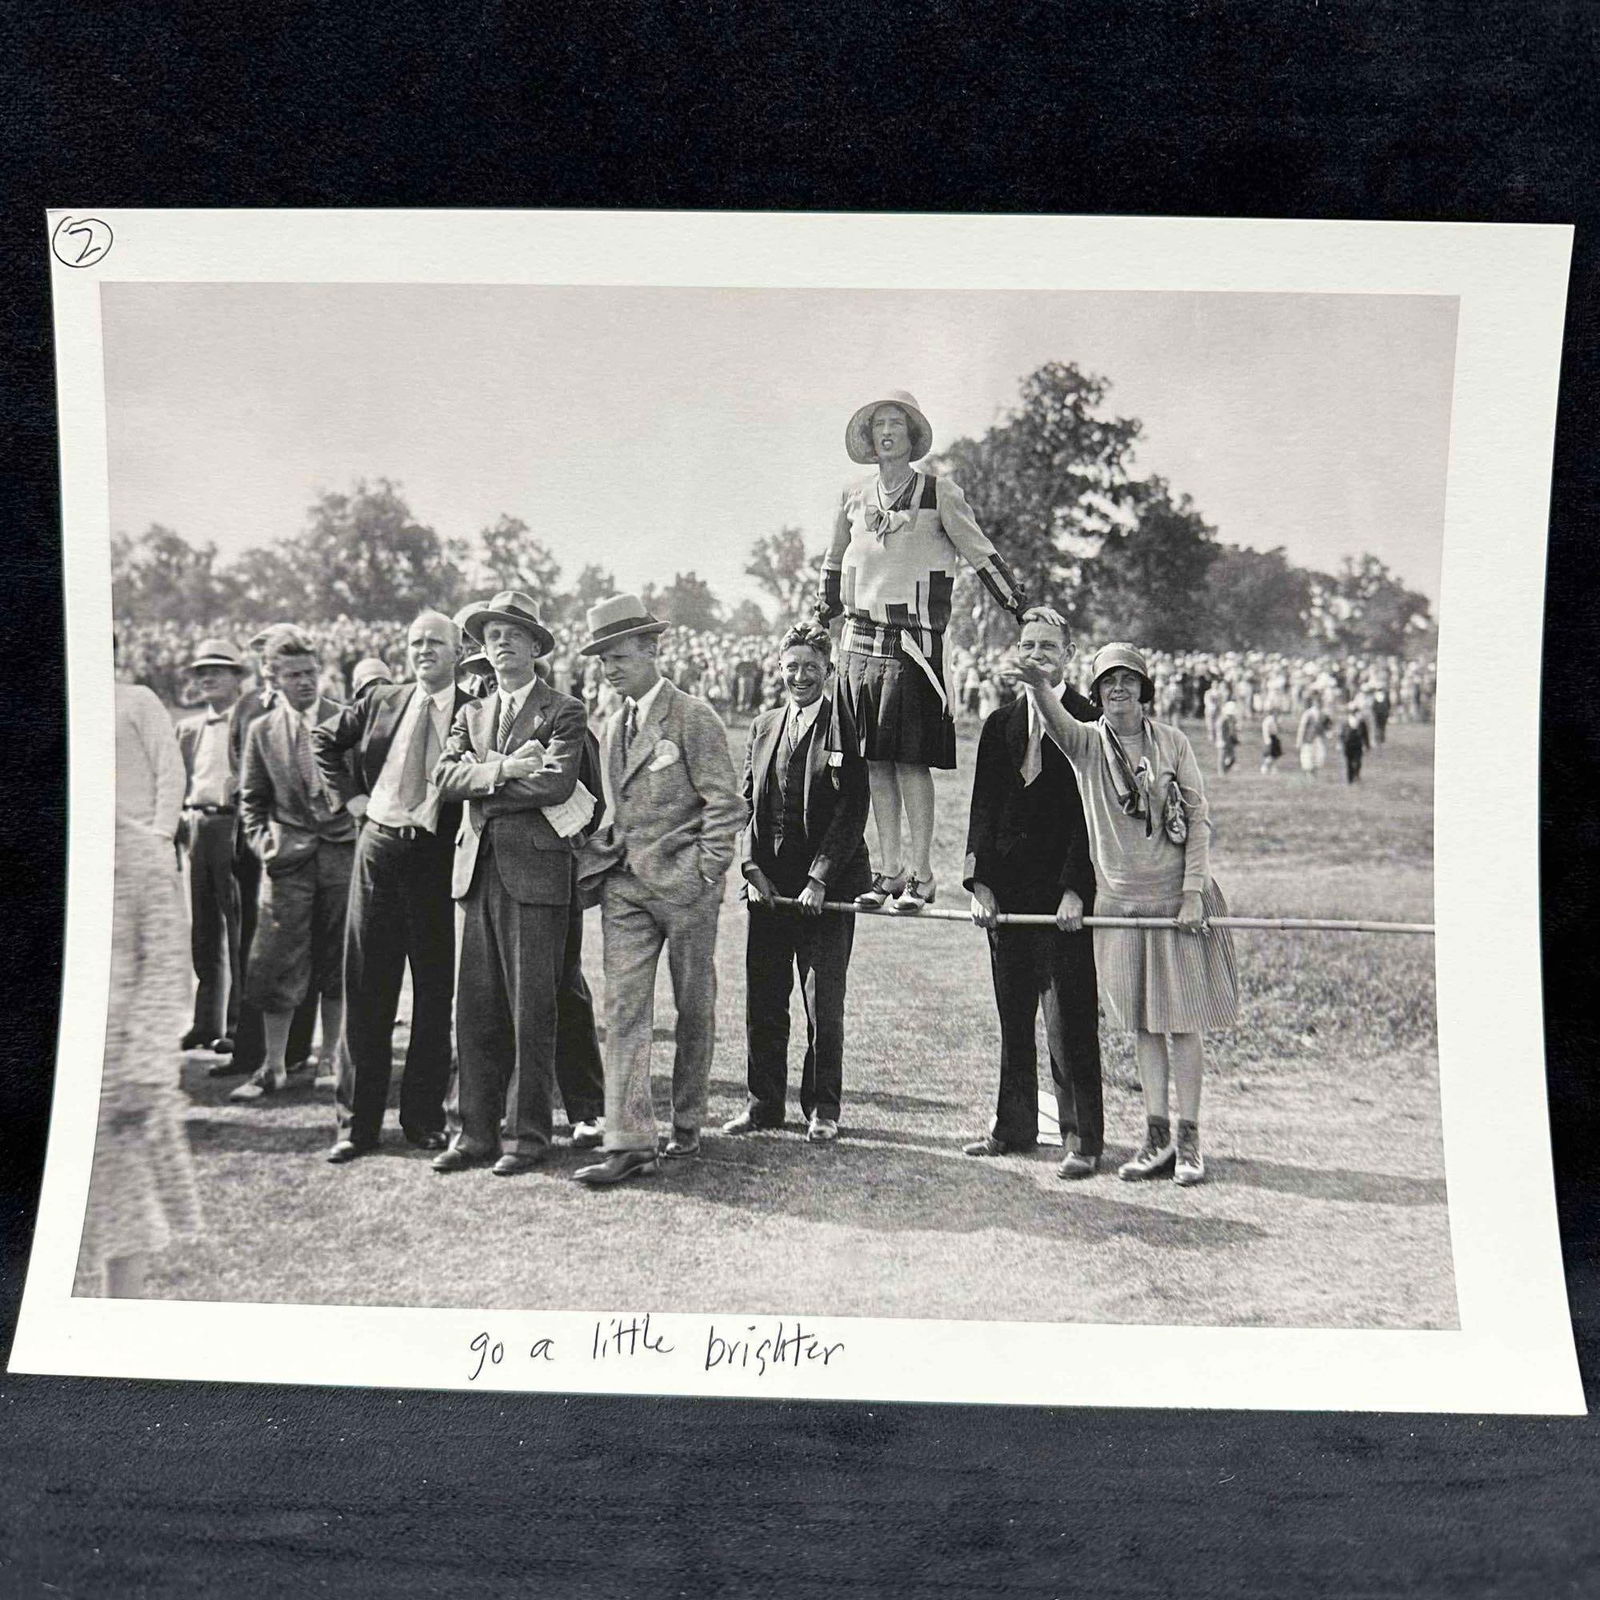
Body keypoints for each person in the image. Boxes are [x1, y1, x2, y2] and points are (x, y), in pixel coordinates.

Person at [1001, 642, 1238, 1187]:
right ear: (1097, 691)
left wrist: (1193, 894)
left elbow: (1198, 822)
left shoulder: (1174, 743)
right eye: (1108, 682)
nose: (1118, 690)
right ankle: (1155, 1137)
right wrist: (1038, 684)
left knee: (1183, 1024)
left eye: (1128, 680)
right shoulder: (1086, 744)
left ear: (1144, 687)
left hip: (1175, 902)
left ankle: (1189, 1139)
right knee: (1142, 1025)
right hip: (1118, 906)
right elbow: (1057, 721)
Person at [816, 390, 1031, 914]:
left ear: (913, 435)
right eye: (878, 425)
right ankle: (887, 874)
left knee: (911, 762)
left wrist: (1020, 608)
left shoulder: (940, 493)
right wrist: (820, 615)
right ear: (869, 439)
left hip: (916, 643)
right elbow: (833, 562)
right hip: (858, 644)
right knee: (873, 763)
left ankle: (922, 876)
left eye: (897, 423)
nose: (887, 432)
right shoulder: (851, 495)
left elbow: (981, 554)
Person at [573, 594, 746, 1187]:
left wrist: (705, 870)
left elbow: (726, 803)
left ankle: (689, 1122)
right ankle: (628, 1140)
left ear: (651, 650)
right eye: (602, 661)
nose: (609, 669)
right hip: (626, 889)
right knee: (623, 1008)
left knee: (693, 1005)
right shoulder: (612, 724)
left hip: (686, 888)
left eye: (618, 656)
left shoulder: (693, 717)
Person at [430, 591, 591, 1176]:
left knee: (531, 1008)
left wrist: (486, 795)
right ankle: (475, 1131)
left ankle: (527, 1135)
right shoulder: (469, 712)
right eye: (492, 635)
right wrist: (501, 770)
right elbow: (445, 778)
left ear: (534, 647)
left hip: (537, 875)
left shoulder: (564, 711)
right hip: (477, 874)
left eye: (513, 635)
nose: (501, 644)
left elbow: (554, 784)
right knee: (475, 1008)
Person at [312, 611, 472, 1162]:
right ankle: (356, 1125)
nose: (424, 650)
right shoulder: (383, 700)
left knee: (433, 993)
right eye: (416, 642)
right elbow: (324, 740)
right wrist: (350, 800)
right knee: (367, 989)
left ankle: (424, 1119)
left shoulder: (475, 710)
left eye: (436, 643)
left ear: (457, 651)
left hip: (433, 857)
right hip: (377, 849)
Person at [963, 611, 1105, 1175]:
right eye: (1028, 644)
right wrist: (980, 884)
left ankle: (1082, 1140)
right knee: (1013, 1016)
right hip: (1008, 898)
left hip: (1063, 898)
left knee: (1069, 1022)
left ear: (1069, 654)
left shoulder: (1091, 722)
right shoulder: (999, 724)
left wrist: (1076, 889)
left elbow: (1091, 820)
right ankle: (1015, 1126)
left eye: (1049, 645)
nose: (1038, 653)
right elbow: (982, 809)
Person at [723, 622, 870, 1143]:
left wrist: (820, 879)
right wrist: (750, 869)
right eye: (792, 667)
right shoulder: (762, 726)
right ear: (779, 669)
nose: (800, 676)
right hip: (769, 890)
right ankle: (762, 1105)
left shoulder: (845, 725)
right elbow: (742, 805)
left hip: (825, 894)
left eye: (811, 667)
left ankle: (822, 1108)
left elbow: (853, 811)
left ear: (828, 671)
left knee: (821, 1004)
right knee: (764, 1000)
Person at [80, 672, 201, 1296]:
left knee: (120, 1221)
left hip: (116, 1065)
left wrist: (146, 1072)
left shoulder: (137, 856)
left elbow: (165, 972)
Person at [232, 626, 357, 1102]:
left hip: (342, 854)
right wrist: (267, 846)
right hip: (287, 863)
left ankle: (330, 1059)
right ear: (275, 678)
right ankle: (273, 1066)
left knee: (338, 961)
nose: (305, 682)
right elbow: (252, 800)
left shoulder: (346, 720)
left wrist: (354, 831)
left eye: (311, 673)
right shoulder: (262, 730)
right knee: (275, 963)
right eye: (294, 675)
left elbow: (364, 784)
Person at [174, 637, 250, 1055]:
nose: (206, 678)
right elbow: (178, 780)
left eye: (216, 671)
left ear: (237, 678)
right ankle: (205, 1022)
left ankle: (238, 1026)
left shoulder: (250, 721)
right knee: (203, 931)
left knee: (238, 928)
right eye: (201, 672)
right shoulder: (187, 728)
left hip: (234, 825)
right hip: (197, 825)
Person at [1296, 697, 1328, 781]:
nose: (1319, 703)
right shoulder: (1308, 713)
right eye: (1317, 702)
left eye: (1320, 702)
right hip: (1308, 738)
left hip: (1318, 738)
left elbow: (1325, 727)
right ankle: (1308, 775)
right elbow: (1302, 728)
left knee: (1318, 756)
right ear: (1314, 702)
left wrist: (1325, 736)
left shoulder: (1323, 714)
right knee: (1307, 756)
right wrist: (1299, 741)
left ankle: (1314, 774)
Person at [1341, 704, 1370, 784]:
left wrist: (1367, 745)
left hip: (1357, 744)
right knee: (1349, 762)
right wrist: (1341, 743)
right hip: (1348, 744)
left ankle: (1356, 774)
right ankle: (1350, 778)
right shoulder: (1345, 721)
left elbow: (1365, 734)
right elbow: (1342, 734)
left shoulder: (1361, 721)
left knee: (1358, 761)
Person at [1260, 709, 1283, 776]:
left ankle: (1273, 769)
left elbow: (1277, 729)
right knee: (1269, 755)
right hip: (1270, 739)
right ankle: (1264, 768)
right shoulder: (1268, 720)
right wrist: (1267, 740)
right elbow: (1266, 731)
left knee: (1275, 755)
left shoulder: (1275, 720)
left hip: (1274, 738)